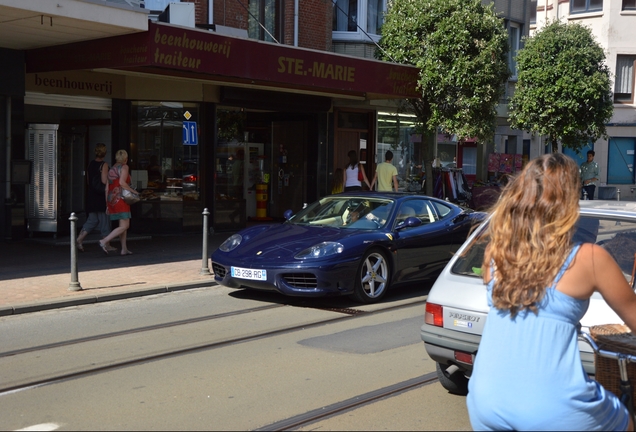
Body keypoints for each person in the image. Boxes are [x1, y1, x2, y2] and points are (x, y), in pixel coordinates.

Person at [466, 153, 636, 431]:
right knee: (625, 420)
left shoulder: (495, 253)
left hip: (485, 399)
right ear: (568, 202)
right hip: (553, 406)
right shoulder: (589, 258)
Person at [76, 144, 115, 252]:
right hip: (101, 196)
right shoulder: (104, 165)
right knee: (104, 221)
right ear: (105, 153)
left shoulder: (90, 164)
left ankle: (79, 239)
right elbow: (103, 181)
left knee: (92, 220)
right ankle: (106, 244)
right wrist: (111, 182)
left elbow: (88, 181)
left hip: (92, 195)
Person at [100, 149, 138, 256]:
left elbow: (107, 189)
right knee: (125, 226)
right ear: (125, 159)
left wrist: (107, 204)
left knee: (122, 225)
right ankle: (104, 241)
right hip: (121, 199)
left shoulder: (111, 169)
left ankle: (124, 249)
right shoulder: (124, 167)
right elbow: (122, 183)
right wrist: (133, 191)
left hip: (112, 200)